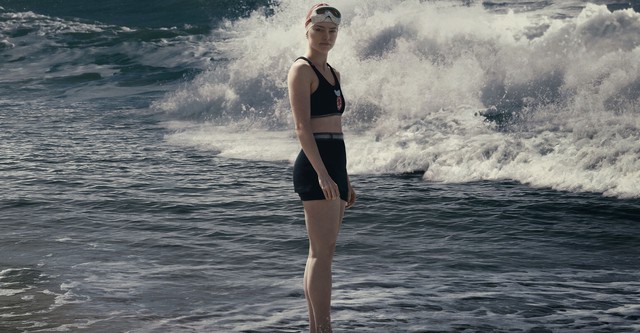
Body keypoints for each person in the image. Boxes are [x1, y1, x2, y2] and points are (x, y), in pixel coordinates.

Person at [287, 3, 356, 333]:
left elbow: (337, 131)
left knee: (322, 253)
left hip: (334, 163)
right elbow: (303, 128)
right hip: (316, 165)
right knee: (321, 255)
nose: (326, 37)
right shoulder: (301, 71)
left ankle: (317, 328)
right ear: (307, 29)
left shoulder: (334, 73)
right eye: (320, 30)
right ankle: (324, 329)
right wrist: (323, 174)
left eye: (332, 32)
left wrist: (344, 178)